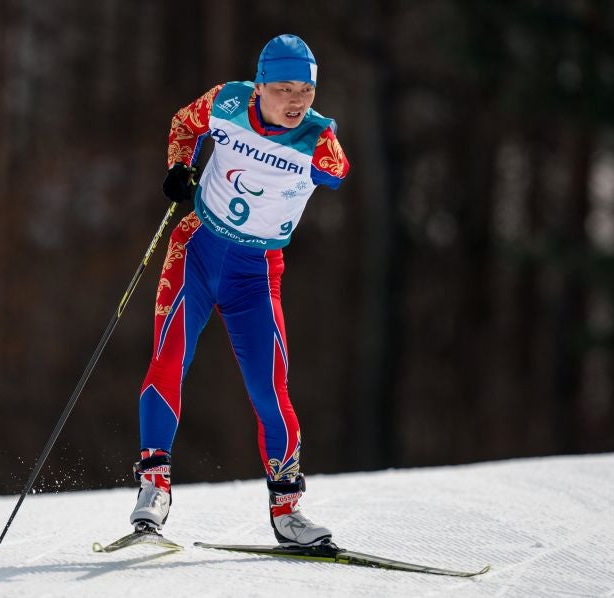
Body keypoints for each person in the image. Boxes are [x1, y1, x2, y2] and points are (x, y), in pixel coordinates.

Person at [130, 34, 350, 546]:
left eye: (307, 91)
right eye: (284, 88)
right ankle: (153, 489)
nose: (297, 101)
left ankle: (287, 510)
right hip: (197, 251)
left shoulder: (317, 137)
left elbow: (337, 171)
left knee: (269, 390)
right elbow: (185, 123)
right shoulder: (227, 101)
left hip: (256, 273)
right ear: (260, 84)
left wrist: (326, 145)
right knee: (167, 362)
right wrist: (179, 168)